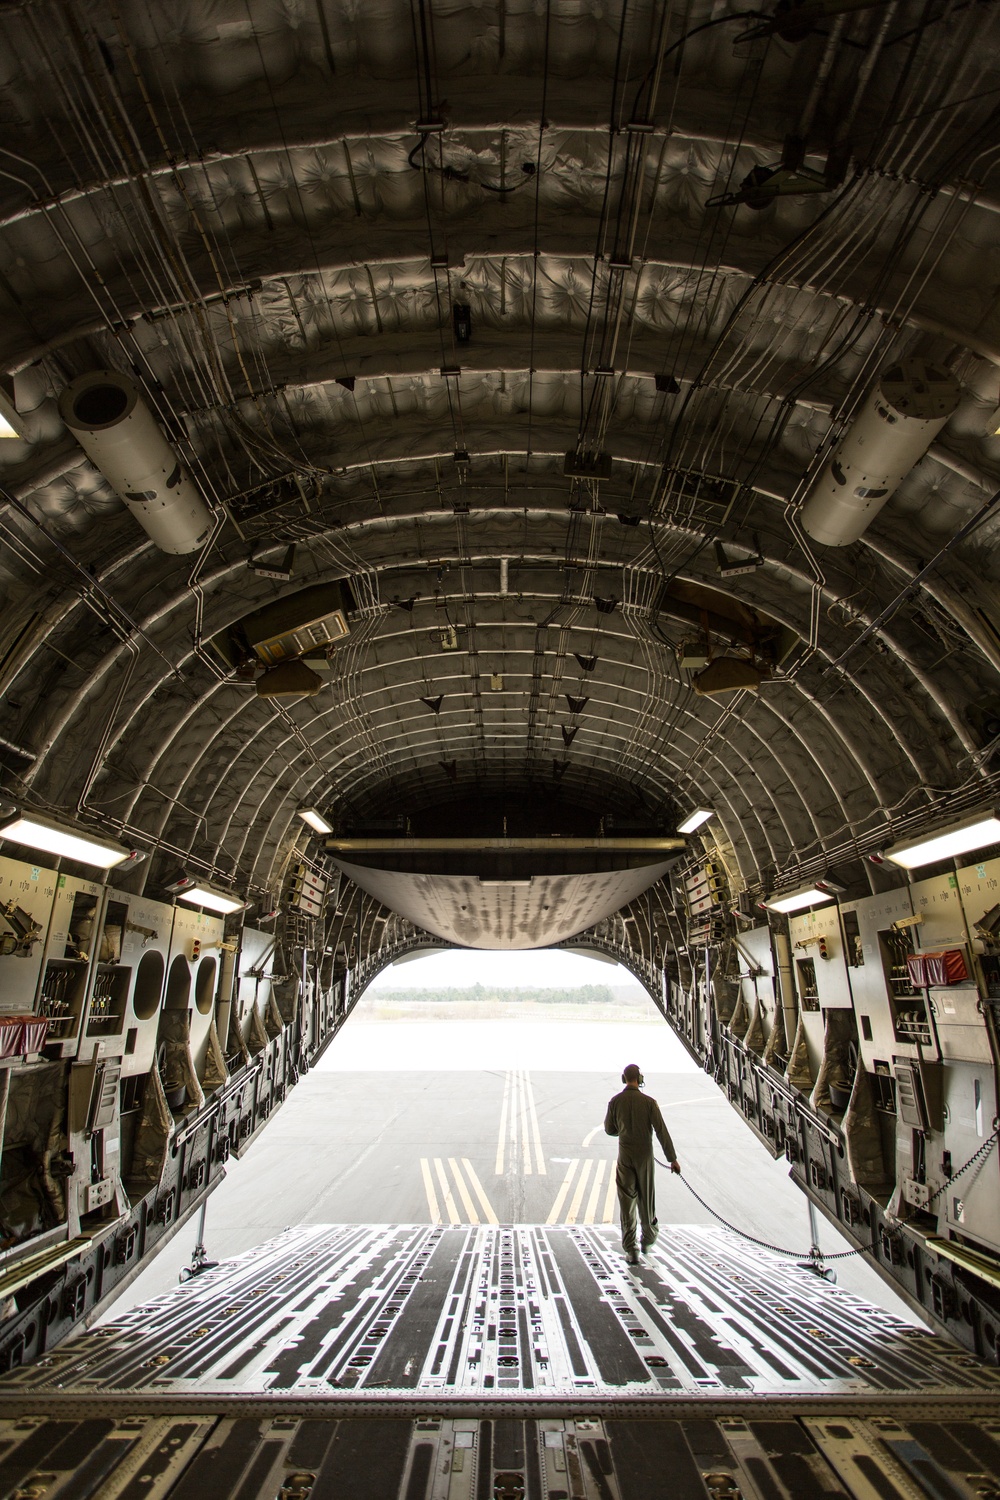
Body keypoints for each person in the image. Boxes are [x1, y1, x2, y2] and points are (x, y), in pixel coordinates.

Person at [604, 1063, 681, 1265]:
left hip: (625, 1154)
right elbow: (661, 1132)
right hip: (645, 1156)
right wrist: (672, 1159)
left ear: (623, 1078)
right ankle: (648, 1240)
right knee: (646, 1200)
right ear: (640, 1079)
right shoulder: (649, 1103)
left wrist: (624, 1130)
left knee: (627, 1202)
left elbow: (609, 1129)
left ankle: (631, 1250)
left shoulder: (615, 1101)